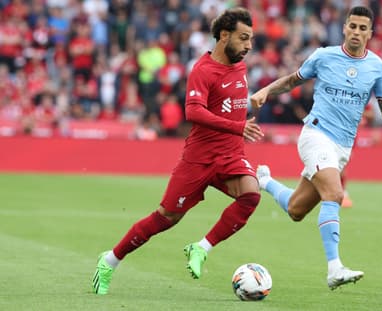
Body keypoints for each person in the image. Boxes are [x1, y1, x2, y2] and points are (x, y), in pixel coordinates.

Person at [92, 7, 264, 295]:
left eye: (251, 39)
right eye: (243, 38)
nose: (248, 46)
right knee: (165, 218)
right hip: (198, 159)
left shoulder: (241, 66)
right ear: (224, 36)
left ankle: (201, 247)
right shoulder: (202, 70)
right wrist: (237, 127)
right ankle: (110, 260)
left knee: (251, 195)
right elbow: (193, 112)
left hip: (231, 156)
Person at [251, 6, 382, 290]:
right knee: (334, 194)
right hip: (315, 135)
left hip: (342, 148)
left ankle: (265, 180)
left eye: (363, 28)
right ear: (345, 28)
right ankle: (334, 268)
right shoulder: (324, 56)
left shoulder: (377, 67)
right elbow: (291, 81)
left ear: (371, 33)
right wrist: (265, 91)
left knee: (297, 210)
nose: (357, 32)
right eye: (353, 26)